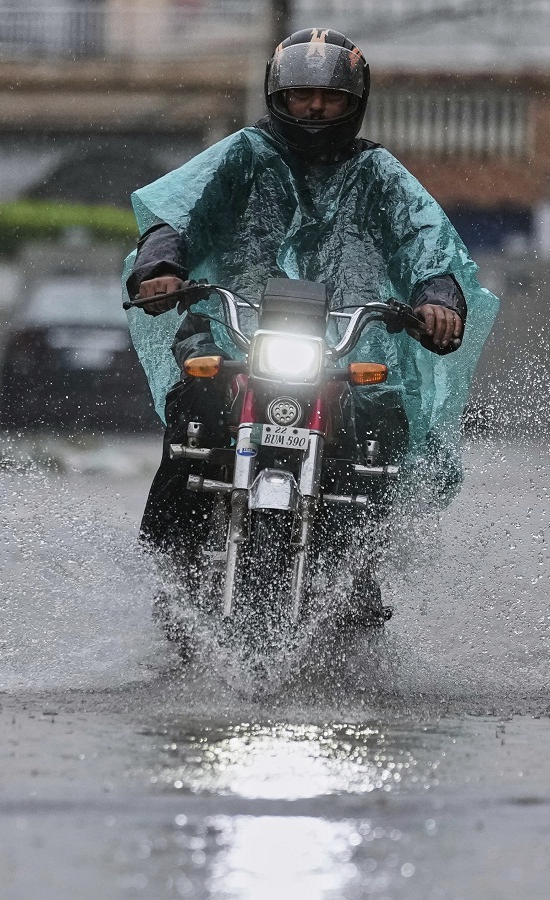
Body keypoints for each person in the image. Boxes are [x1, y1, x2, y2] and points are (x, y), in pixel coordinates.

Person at [124, 28, 500, 621]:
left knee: (380, 428)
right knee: (193, 415)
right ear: (278, 96)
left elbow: (425, 239)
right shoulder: (242, 155)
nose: (316, 107)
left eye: (330, 96)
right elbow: (180, 212)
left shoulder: (379, 172)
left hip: (345, 347)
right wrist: (161, 264)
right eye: (301, 95)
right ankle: (170, 569)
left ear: (357, 101)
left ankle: (359, 574)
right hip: (233, 333)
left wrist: (437, 296)